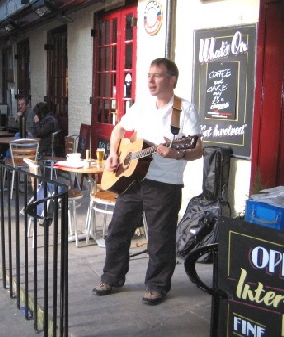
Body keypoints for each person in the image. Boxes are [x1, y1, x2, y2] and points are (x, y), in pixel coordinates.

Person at [92, 58, 203, 305]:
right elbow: (118, 130)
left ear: (172, 79)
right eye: (149, 75)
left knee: (160, 238)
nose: (150, 80)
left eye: (157, 75)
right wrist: (113, 154)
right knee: (117, 231)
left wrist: (177, 152)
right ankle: (111, 277)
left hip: (164, 183)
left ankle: (156, 285)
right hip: (132, 181)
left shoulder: (184, 109)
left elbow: (197, 149)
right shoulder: (142, 106)